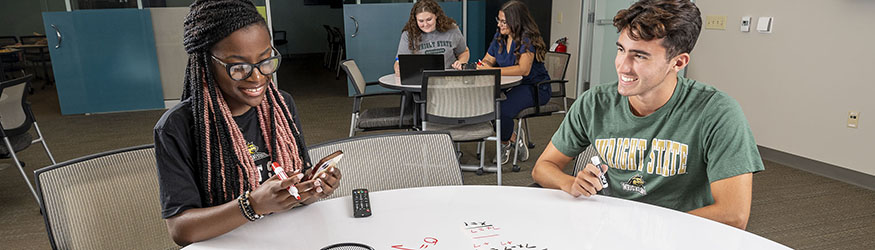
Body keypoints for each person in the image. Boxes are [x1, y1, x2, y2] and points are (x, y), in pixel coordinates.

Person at [531, 0, 764, 230]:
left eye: (640, 56)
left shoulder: (717, 112)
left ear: (678, 62)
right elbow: (543, 167)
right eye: (621, 49)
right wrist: (570, 183)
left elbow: (734, 215)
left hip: (679, 236)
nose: (623, 66)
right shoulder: (595, 102)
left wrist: (647, 233)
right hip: (607, 229)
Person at [153, 0, 341, 245]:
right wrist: (251, 205)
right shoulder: (177, 127)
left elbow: (294, 186)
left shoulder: (281, 106)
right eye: (239, 67)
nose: (257, 76)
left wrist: (312, 189)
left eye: (265, 61)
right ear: (206, 64)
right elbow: (181, 230)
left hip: (286, 239)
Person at [476, 0, 550, 164]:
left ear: (516, 21)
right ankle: (514, 137)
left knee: (501, 110)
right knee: (485, 106)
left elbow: (523, 70)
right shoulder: (500, 37)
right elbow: (488, 59)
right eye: (499, 20)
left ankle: (504, 143)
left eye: (504, 21)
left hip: (534, 87)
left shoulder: (527, 40)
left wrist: (491, 70)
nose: (500, 25)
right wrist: (484, 65)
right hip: (510, 86)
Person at [394, 0, 470, 75]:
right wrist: (398, 68)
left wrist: (461, 62)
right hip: (420, 80)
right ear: (415, 20)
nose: (425, 24)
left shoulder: (451, 29)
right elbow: (399, 62)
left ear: (436, 15)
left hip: (449, 78)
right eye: (421, 21)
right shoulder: (408, 35)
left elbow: (464, 52)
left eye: (429, 19)